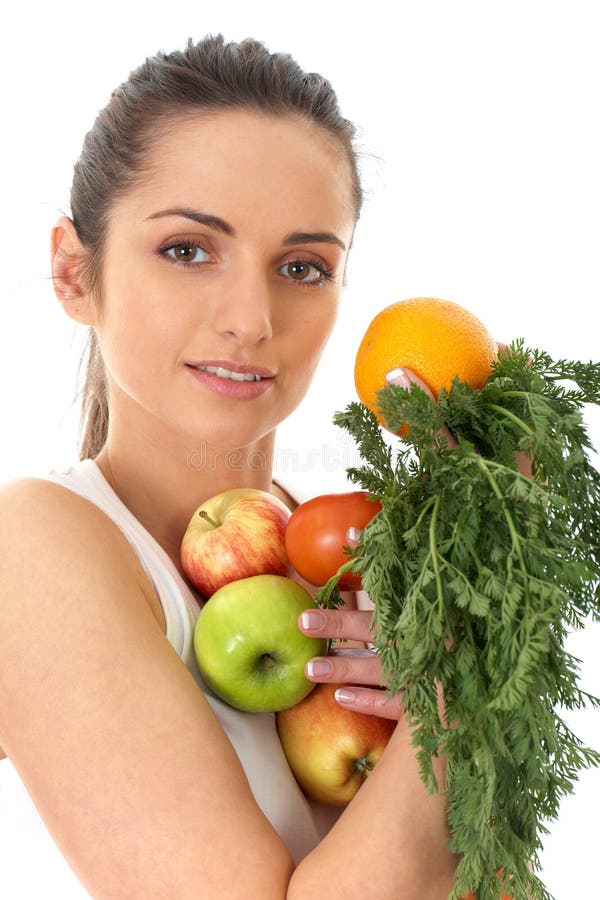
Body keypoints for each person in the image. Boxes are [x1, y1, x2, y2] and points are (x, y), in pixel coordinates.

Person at [0, 35, 461, 898]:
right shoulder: (33, 547)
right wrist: (460, 702)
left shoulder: (360, 558)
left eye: (302, 267)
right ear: (74, 271)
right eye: (187, 249)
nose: (251, 318)